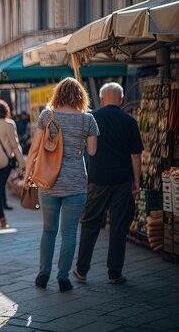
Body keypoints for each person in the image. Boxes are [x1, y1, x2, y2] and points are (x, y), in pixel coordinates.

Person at [24, 77, 99, 292]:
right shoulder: (88, 120)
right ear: (80, 96)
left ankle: (43, 274)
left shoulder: (48, 115)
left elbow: (34, 149)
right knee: (69, 233)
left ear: (58, 94)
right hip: (76, 183)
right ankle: (63, 277)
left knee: (48, 230)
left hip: (48, 182)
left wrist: (28, 175)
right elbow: (92, 152)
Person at [73, 83, 143, 285]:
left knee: (90, 223)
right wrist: (136, 182)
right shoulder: (130, 121)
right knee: (119, 227)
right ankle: (114, 273)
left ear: (102, 99)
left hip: (97, 179)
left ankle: (82, 270)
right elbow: (135, 156)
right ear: (121, 100)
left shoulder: (91, 118)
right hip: (123, 180)